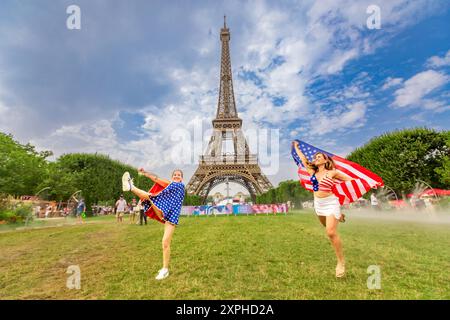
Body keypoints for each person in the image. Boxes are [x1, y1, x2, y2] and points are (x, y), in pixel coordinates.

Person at [292, 141, 354, 278]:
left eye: (319, 156)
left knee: (331, 232)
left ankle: (341, 262)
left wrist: (364, 184)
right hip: (318, 204)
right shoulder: (312, 172)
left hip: (331, 202)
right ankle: (338, 216)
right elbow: (303, 159)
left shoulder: (333, 173)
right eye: (316, 156)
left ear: (326, 160)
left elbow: (351, 181)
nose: (316, 157)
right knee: (327, 227)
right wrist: (296, 147)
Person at [122, 168, 185, 280]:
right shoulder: (171, 185)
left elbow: (158, 180)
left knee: (165, 242)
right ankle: (131, 186)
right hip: (166, 210)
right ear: (172, 177)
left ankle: (131, 186)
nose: (176, 176)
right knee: (149, 197)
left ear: (182, 178)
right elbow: (157, 179)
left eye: (178, 175)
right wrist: (145, 173)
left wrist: (146, 174)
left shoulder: (180, 186)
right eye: (174, 174)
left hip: (171, 215)